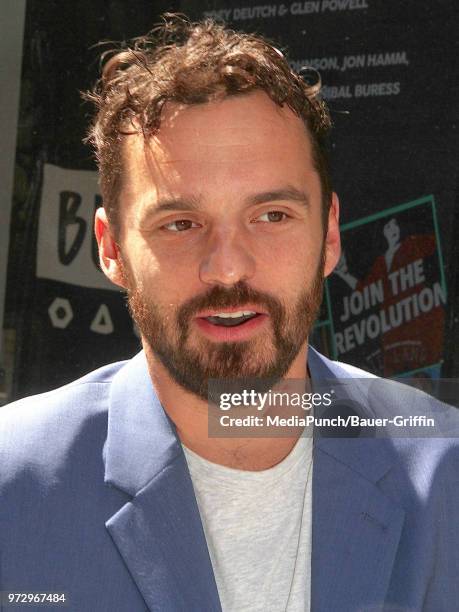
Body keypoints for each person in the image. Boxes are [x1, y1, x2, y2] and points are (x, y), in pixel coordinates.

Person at [1, 14, 458, 612]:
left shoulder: (444, 472)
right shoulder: (12, 486)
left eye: (272, 215)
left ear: (330, 236)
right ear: (111, 249)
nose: (227, 268)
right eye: (181, 224)